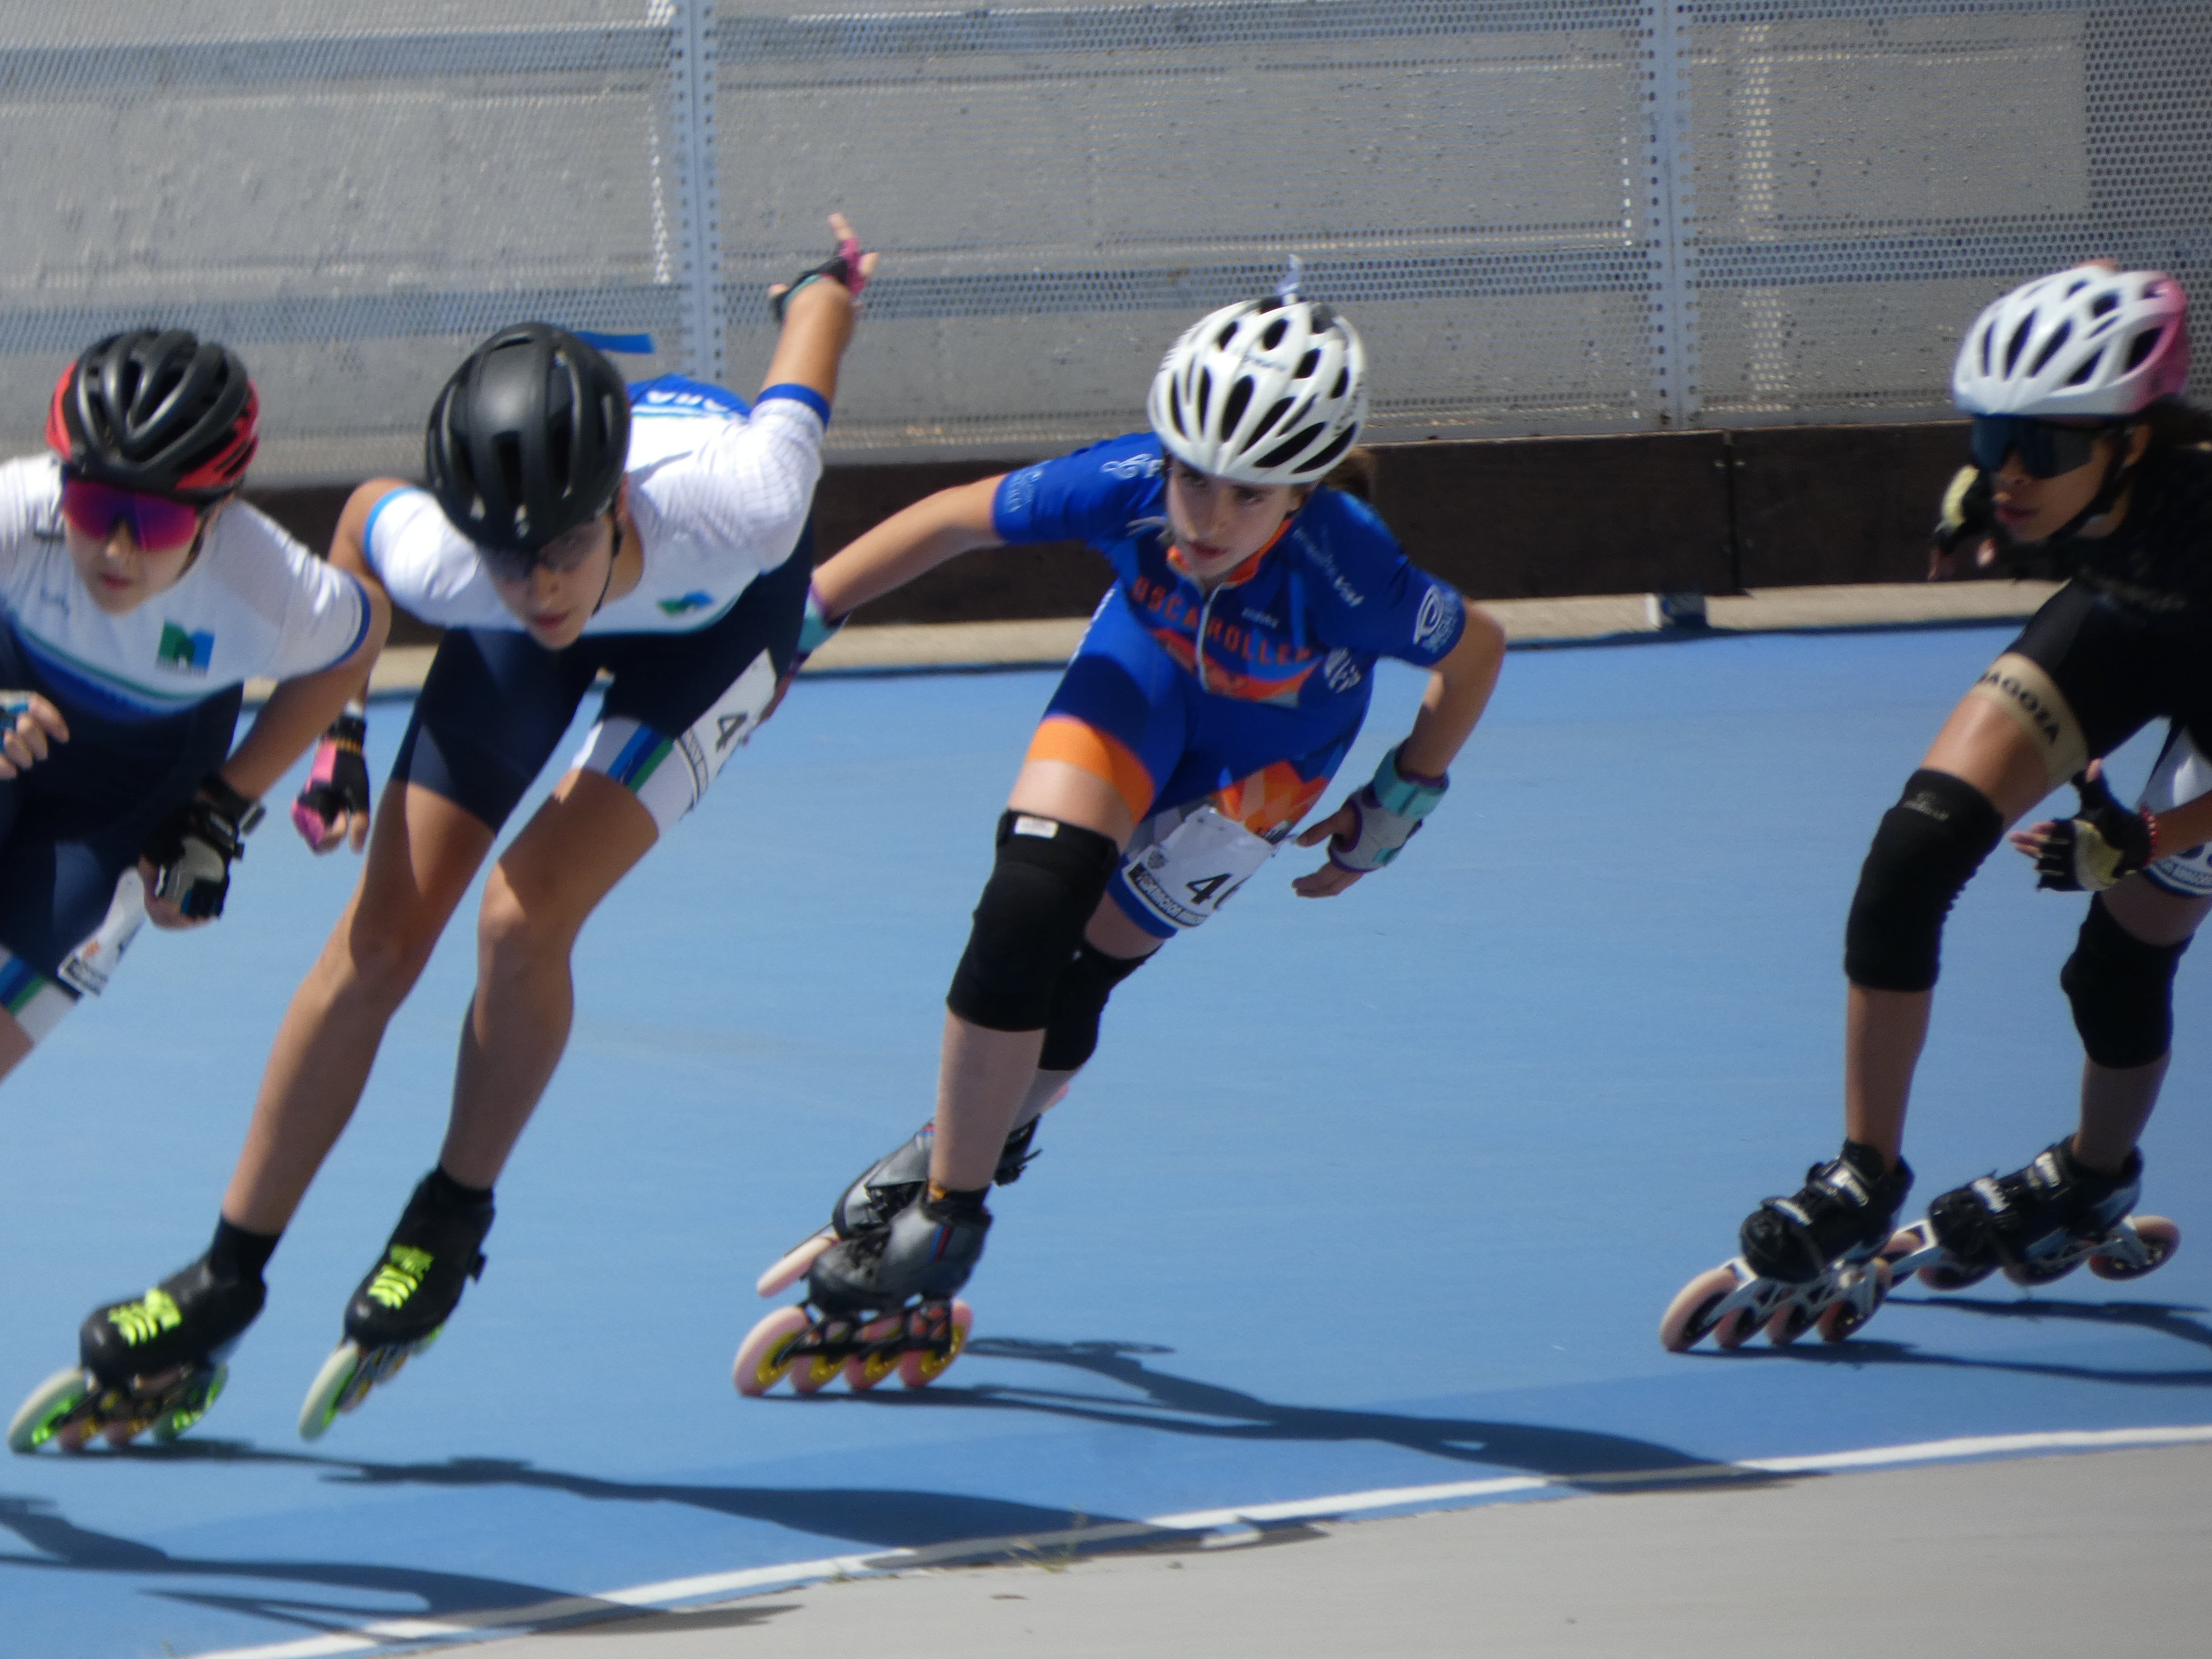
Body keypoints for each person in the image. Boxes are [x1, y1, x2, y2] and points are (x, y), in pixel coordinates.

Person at [14, 220, 875, 1450]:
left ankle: (450, 1215)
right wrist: (344, 740)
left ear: (616, 498)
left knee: (524, 913)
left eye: (564, 550)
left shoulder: (746, 503)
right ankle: (223, 1280)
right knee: (379, 941)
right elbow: (366, 527)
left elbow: (811, 342)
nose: (542, 586)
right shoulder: (469, 569)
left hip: (716, 629)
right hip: (533, 648)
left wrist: (826, 283)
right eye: (509, 559)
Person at [736, 282, 1506, 1394]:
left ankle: (955, 1154)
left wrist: (1399, 799)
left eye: (1244, 494)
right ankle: (950, 1214)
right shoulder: (1129, 483)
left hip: (1262, 766)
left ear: (1299, 492)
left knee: (1083, 976)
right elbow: (952, 518)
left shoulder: (1358, 575)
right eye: (1190, 473)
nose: (1200, 513)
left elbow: (1473, 653)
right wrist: (792, 631)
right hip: (1140, 689)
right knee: (1023, 909)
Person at [1663, 263, 2207, 1352]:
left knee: (2116, 955)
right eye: (1987, 436)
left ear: (2132, 441)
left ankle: (2096, 1177)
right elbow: (2017, 478)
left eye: (2039, 449)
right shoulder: (2044, 478)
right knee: (1912, 853)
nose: (2006, 471)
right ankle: (1864, 1176)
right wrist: (1984, 489)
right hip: (2132, 622)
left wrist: (2143, 837)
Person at [0, 329, 385, 1087]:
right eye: (93, 504)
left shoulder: (268, 585)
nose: (116, 550)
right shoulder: (19, 511)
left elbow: (361, 635)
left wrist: (220, 808)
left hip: (122, 813)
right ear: (62, 477)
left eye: (157, 524)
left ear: (216, 514)